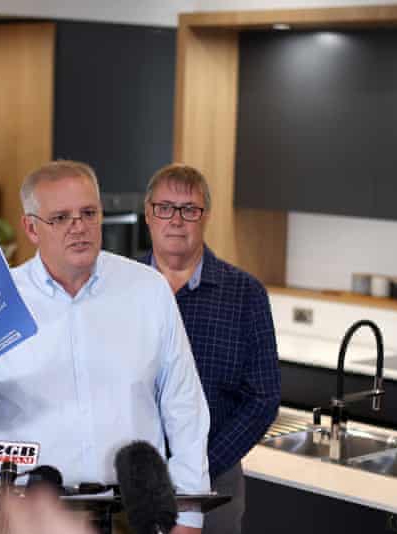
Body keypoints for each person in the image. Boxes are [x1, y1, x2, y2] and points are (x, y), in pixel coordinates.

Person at [0, 161, 210, 533]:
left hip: (132, 513)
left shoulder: (148, 290)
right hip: (33, 514)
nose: (78, 227)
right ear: (31, 227)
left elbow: (185, 405)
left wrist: (189, 514)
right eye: (61, 217)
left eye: (88, 213)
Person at [140, 164, 280, 534]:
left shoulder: (246, 295)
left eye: (190, 210)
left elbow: (263, 399)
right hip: (131, 483)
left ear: (206, 217)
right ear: (148, 214)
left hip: (215, 485)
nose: (176, 220)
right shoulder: (121, 287)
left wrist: (200, 464)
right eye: (165, 208)